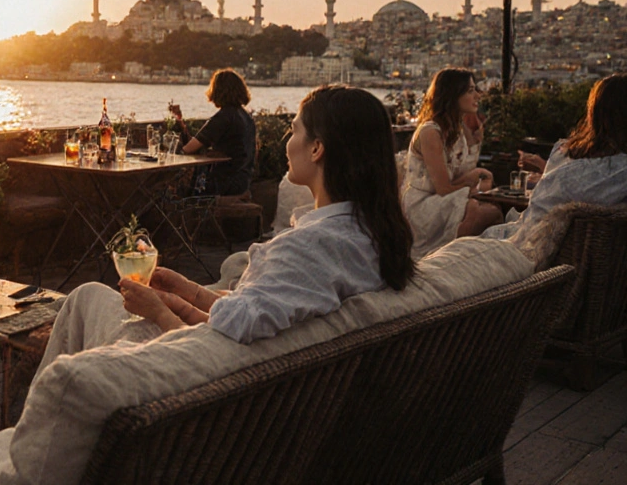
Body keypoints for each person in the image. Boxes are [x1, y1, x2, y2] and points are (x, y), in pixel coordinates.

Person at [39, 85, 414, 372]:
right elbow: (246, 318)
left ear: (317, 148)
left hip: (194, 382)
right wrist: (185, 292)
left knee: (86, 296)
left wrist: (158, 311)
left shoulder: (303, 250)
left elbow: (215, 349)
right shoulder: (372, 237)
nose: (287, 141)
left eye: (294, 131)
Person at [482, 74, 627, 248]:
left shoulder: (566, 151)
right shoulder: (619, 173)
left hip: (526, 242)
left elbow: (554, 197)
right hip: (574, 251)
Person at [401, 68, 502, 259]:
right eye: (470, 90)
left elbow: (460, 175)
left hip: (443, 200)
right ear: (453, 94)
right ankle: (450, 260)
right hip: (423, 206)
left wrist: (475, 144)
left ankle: (466, 261)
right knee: (479, 211)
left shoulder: (457, 130)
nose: (477, 95)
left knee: (492, 211)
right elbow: (443, 188)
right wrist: (475, 177)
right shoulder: (430, 132)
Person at [170, 68, 257, 196]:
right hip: (243, 181)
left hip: (223, 183)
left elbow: (188, 149)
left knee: (177, 189)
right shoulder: (246, 116)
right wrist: (180, 121)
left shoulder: (223, 117)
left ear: (217, 91)